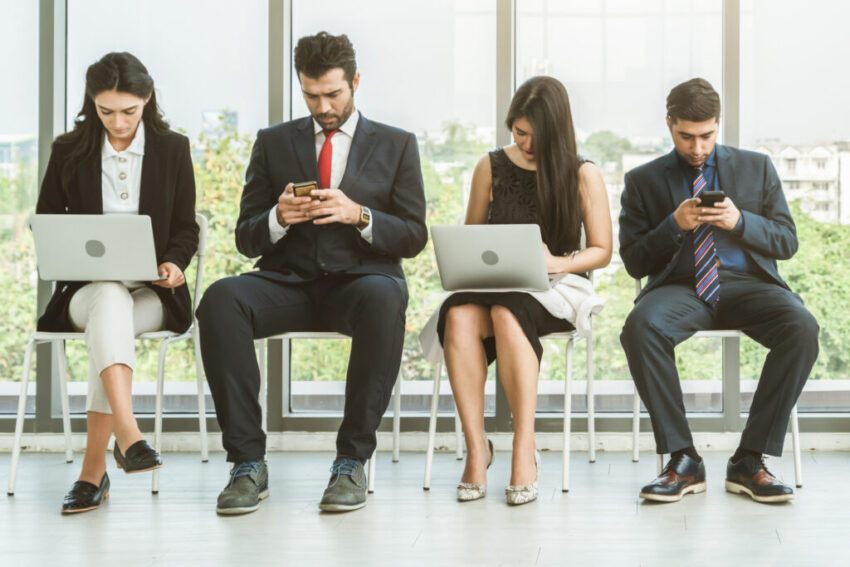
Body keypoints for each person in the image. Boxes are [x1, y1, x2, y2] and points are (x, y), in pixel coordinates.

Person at [196, 31, 427, 515]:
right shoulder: (273, 142)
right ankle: (247, 464)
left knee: (386, 299)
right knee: (220, 298)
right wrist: (278, 219)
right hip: (288, 282)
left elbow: (413, 235)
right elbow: (245, 237)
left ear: (355, 82)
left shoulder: (397, 144)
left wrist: (358, 215)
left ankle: (351, 461)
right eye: (311, 94)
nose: (322, 106)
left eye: (333, 94)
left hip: (362, 283)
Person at [619, 78, 819, 504]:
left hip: (748, 287)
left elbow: (787, 241)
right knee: (640, 326)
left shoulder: (757, 167)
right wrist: (674, 224)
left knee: (802, 326)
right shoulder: (643, 180)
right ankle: (683, 460)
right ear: (669, 124)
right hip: (682, 289)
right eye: (686, 136)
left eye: (707, 135)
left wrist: (739, 221)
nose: (697, 148)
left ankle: (749, 459)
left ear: (719, 124)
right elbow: (635, 261)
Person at [436, 76, 611, 505]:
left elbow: (603, 251)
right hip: (496, 284)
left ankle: (523, 447)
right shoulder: (490, 167)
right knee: (457, 314)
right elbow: (470, 238)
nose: (526, 144)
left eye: (536, 135)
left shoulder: (582, 173)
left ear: (559, 130)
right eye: (519, 133)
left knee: (506, 313)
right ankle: (478, 450)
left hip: (556, 286)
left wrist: (561, 263)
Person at [36, 52, 199, 514]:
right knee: (108, 299)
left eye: (129, 111)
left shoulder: (172, 149)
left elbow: (186, 227)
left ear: (147, 99)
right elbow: (48, 223)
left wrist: (174, 262)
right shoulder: (69, 150)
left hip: (150, 293)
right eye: (106, 111)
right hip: (85, 293)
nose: (118, 122)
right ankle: (128, 434)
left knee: (113, 322)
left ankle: (93, 473)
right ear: (92, 103)